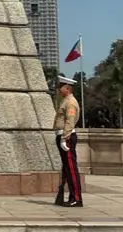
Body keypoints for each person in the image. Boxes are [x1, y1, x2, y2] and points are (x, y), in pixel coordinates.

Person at [53, 75, 83, 207]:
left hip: (67, 137)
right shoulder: (64, 101)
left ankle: (76, 198)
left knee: (71, 168)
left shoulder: (70, 102)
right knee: (67, 168)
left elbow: (70, 121)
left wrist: (64, 138)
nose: (58, 89)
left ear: (67, 88)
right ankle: (72, 197)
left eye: (61, 87)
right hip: (63, 135)